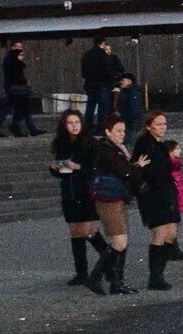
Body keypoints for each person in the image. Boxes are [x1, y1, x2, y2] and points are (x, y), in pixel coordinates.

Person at [49, 110, 112, 290]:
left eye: (77, 122)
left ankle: (108, 263)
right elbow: (63, 172)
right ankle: (81, 272)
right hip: (69, 192)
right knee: (75, 231)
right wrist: (55, 168)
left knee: (88, 230)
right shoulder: (62, 143)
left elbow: (95, 168)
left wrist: (77, 166)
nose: (74, 126)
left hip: (85, 191)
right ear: (64, 125)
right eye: (70, 123)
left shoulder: (90, 143)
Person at [131, 111, 183, 291]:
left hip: (165, 193)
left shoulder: (158, 145)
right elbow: (143, 170)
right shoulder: (145, 145)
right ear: (149, 126)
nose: (163, 127)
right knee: (160, 233)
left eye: (164, 124)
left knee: (170, 231)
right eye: (159, 124)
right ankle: (155, 277)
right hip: (153, 195)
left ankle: (159, 273)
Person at [88, 117, 139, 294]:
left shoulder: (116, 149)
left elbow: (127, 171)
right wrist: (137, 166)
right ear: (108, 132)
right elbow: (125, 172)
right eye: (118, 130)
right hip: (109, 199)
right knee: (119, 241)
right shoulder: (106, 149)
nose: (122, 134)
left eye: (123, 131)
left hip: (118, 197)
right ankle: (96, 277)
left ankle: (116, 283)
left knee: (122, 241)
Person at [0, 41, 40, 136]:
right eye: (17, 46)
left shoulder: (11, 58)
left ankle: (25, 129)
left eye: (20, 46)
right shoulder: (12, 58)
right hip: (15, 89)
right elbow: (15, 73)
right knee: (21, 109)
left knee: (16, 110)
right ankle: (18, 128)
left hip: (15, 89)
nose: (19, 48)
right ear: (12, 47)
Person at [80, 35, 120, 131]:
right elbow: (108, 70)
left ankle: (88, 127)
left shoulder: (87, 55)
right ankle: (101, 128)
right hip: (102, 85)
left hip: (90, 84)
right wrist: (111, 84)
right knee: (103, 108)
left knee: (90, 107)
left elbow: (83, 71)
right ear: (102, 43)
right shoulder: (104, 55)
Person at [113, 71, 147, 136]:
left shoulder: (132, 92)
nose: (121, 82)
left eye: (123, 80)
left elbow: (136, 109)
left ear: (129, 81)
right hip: (128, 121)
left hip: (131, 123)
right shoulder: (125, 91)